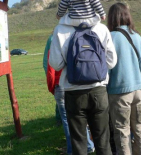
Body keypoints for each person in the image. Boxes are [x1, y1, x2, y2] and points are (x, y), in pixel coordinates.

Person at [49, 12, 117, 154]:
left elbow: (56, 64)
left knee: (78, 142)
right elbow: (111, 62)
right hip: (98, 90)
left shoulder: (60, 30)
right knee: (103, 140)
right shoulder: (101, 28)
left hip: (73, 91)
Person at [107, 2, 141, 155]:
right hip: (138, 90)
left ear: (112, 18)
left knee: (122, 132)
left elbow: (108, 69)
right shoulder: (137, 36)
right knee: (140, 130)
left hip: (119, 92)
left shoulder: (110, 37)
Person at [44, 33, 95, 155]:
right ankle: (88, 145)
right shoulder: (78, 45)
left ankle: (71, 150)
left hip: (60, 86)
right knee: (81, 117)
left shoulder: (54, 49)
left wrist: (52, 88)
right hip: (77, 85)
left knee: (67, 121)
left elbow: (50, 72)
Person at [43, 33, 61, 126]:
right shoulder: (53, 38)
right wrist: (51, 80)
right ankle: (59, 119)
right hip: (58, 79)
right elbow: (47, 61)